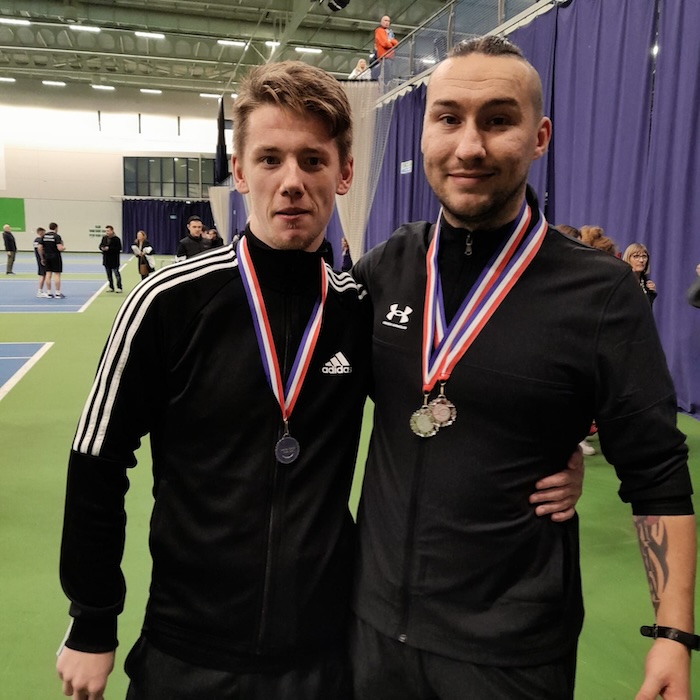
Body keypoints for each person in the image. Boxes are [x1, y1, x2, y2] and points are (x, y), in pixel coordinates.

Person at [56, 59, 581, 700]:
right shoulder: (168, 302)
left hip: (326, 655)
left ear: (345, 172)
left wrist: (559, 455)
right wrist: (92, 620)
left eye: (312, 160)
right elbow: (97, 463)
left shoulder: (359, 309)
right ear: (240, 171)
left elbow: (448, 393)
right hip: (189, 649)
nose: (292, 182)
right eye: (270, 159)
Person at [350, 36, 696, 700]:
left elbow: (656, 472)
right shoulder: (389, 266)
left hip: (510, 654)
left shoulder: (598, 293)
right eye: (448, 118)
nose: (470, 146)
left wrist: (673, 636)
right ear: (423, 133)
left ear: (539, 137)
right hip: (370, 633)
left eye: (498, 120)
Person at [39, 222, 65, 299]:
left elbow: (39, 247)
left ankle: (49, 293)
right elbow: (60, 248)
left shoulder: (44, 236)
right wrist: (64, 247)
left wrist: (42, 257)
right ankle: (57, 293)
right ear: (56, 228)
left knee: (48, 274)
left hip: (47, 256)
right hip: (55, 256)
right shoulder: (57, 236)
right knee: (57, 274)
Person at [374, 15, 398, 83]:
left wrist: (390, 41)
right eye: (385, 20)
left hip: (390, 57)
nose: (387, 22)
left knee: (389, 75)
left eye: (388, 21)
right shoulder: (379, 30)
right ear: (381, 22)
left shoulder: (389, 32)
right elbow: (385, 43)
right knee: (386, 77)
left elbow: (396, 43)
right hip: (384, 57)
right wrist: (391, 43)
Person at [33, 226, 47, 296]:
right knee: (43, 275)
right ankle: (40, 291)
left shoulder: (36, 240)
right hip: (42, 259)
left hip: (39, 259)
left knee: (43, 274)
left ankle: (41, 290)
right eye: (43, 232)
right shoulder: (40, 240)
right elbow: (40, 249)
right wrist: (42, 258)